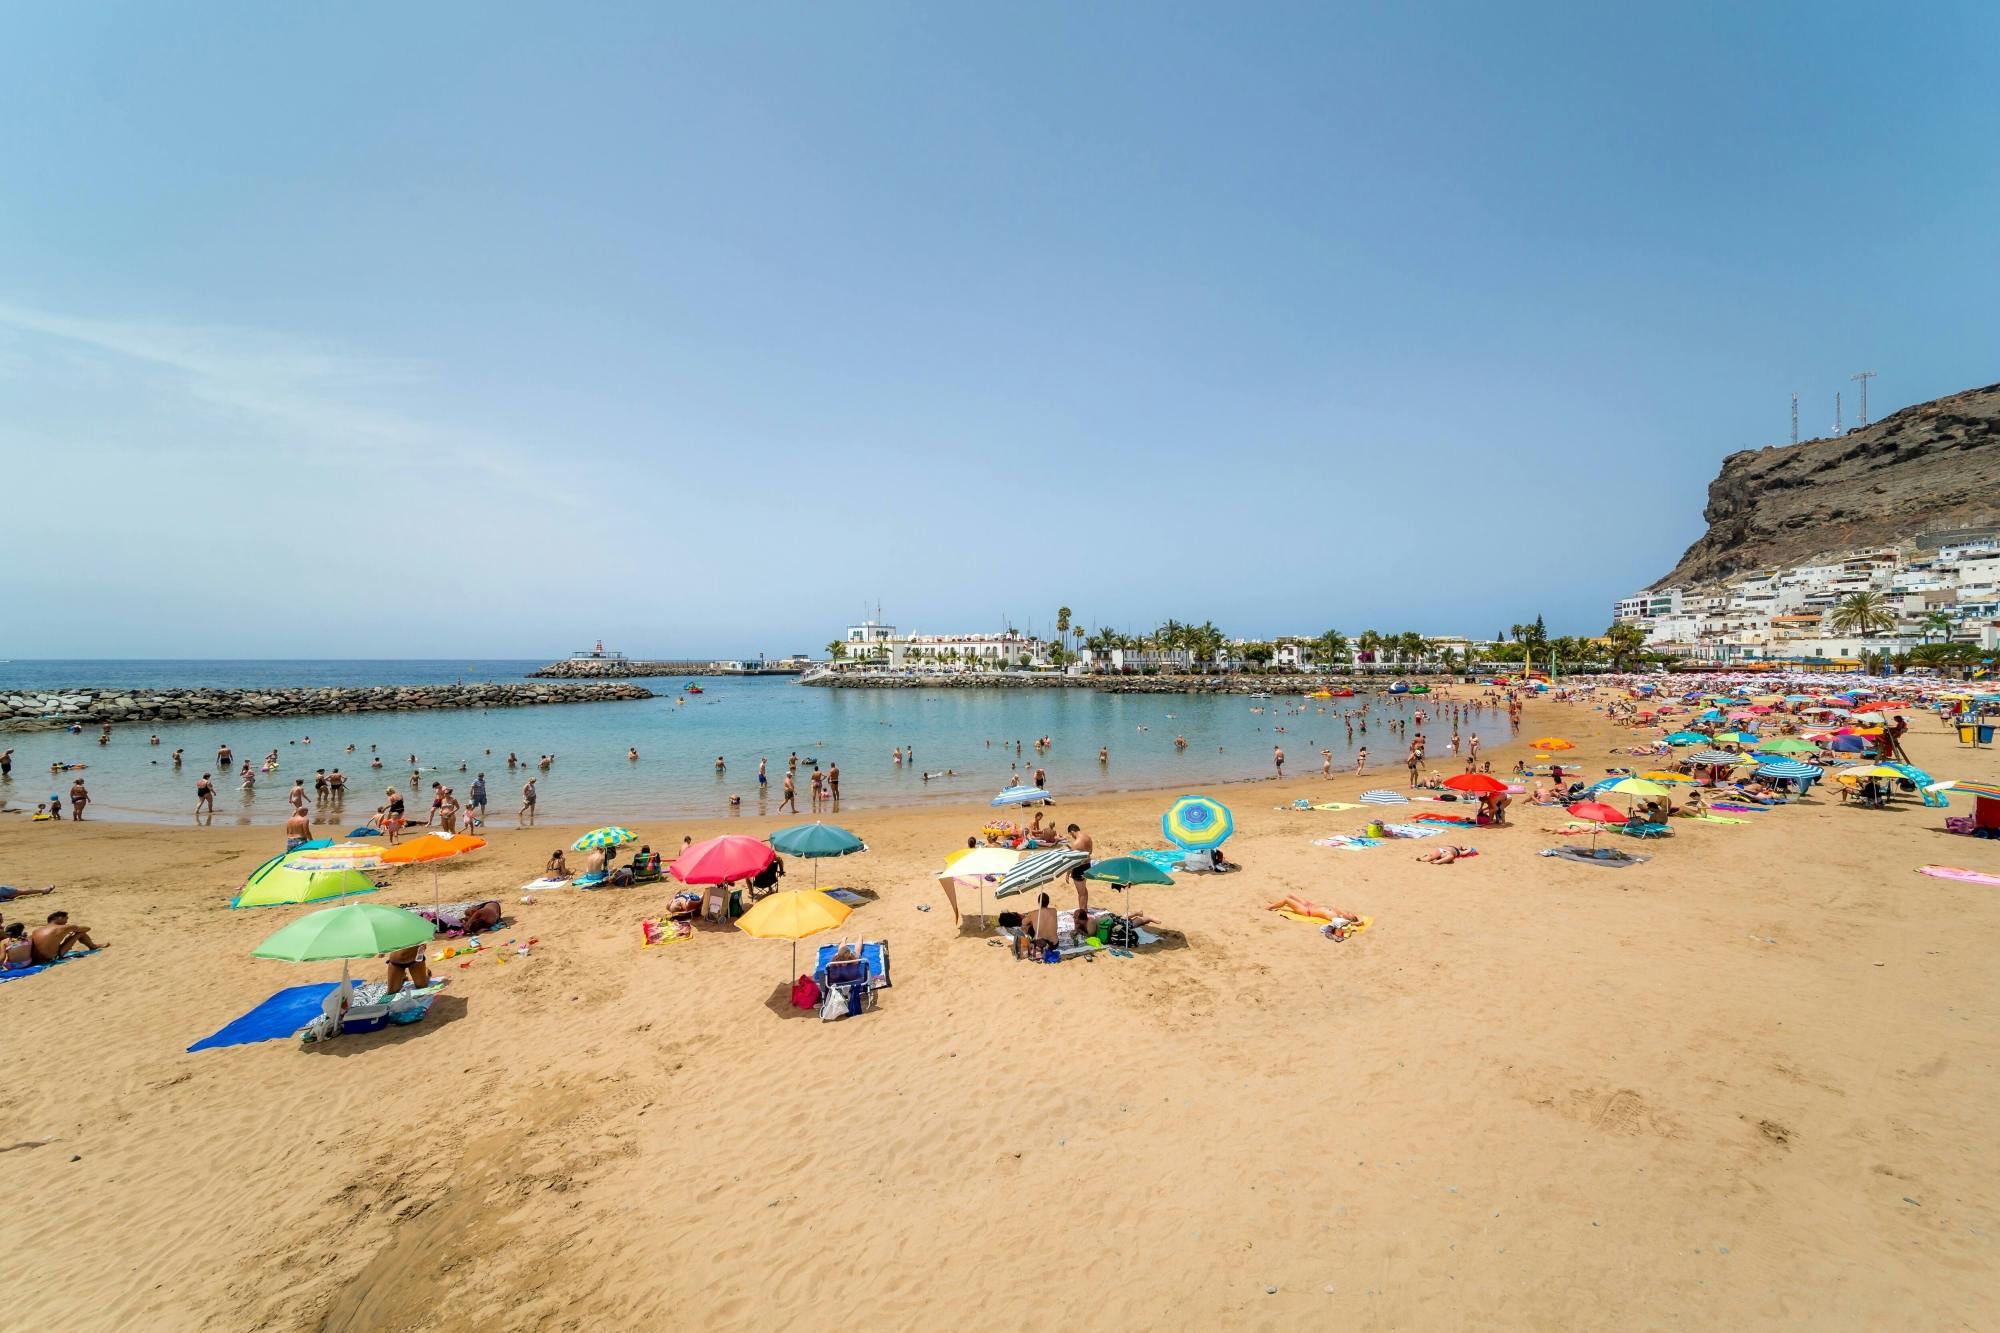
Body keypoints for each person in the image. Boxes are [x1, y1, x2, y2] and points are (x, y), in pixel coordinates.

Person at [31, 911, 103, 962]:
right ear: (59, 918)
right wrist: (73, 929)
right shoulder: (62, 927)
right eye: (66, 918)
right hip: (51, 958)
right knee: (81, 932)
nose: (66, 922)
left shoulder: (37, 930)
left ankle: (93, 946)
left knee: (72, 935)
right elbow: (87, 928)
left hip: (35, 959)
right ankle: (93, 947)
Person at [1062, 821, 1093, 915]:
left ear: (1072, 831)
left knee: (1081, 893)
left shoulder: (1076, 843)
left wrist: (1067, 874)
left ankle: (1082, 914)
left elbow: (1073, 862)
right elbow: (1089, 852)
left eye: (1071, 835)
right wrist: (1071, 848)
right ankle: (1085, 909)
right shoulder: (1088, 838)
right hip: (1087, 865)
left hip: (1079, 868)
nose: (1072, 837)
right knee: (1083, 889)